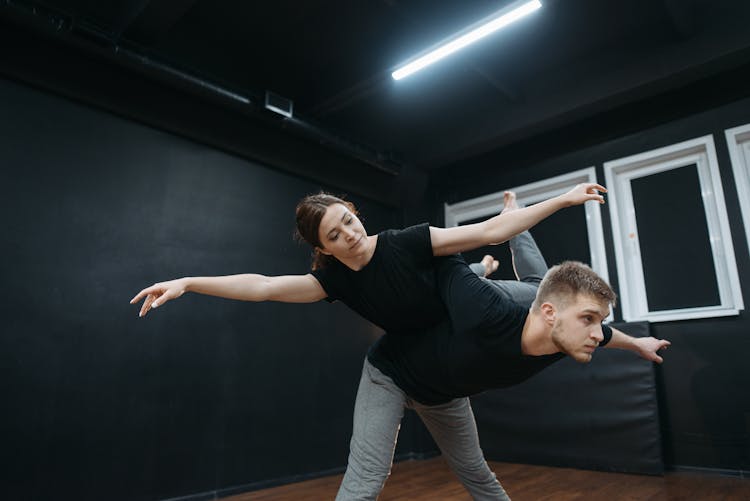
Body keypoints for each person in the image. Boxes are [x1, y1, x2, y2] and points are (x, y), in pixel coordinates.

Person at [131, 183, 607, 500]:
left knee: (477, 469)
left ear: (356, 214)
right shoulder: (337, 281)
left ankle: (480, 270)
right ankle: (479, 270)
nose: (350, 235)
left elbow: (487, 231)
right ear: (325, 248)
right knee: (366, 478)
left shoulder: (405, 241)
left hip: (445, 361)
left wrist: (563, 199)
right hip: (393, 370)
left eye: (349, 221)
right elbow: (264, 286)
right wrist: (190, 281)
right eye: (335, 235)